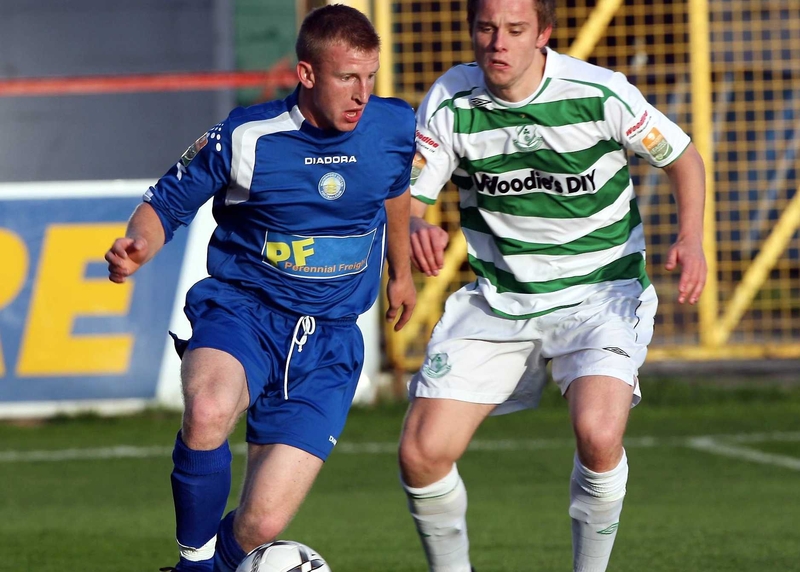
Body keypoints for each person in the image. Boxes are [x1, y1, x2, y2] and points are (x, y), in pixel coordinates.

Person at [397, 0, 707, 571]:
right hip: (500, 298)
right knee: (421, 454)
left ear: (543, 34)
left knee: (598, 431)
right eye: (486, 29)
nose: (498, 43)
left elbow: (683, 158)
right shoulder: (451, 101)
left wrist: (691, 238)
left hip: (601, 293)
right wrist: (415, 228)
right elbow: (411, 201)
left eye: (515, 30)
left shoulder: (601, 94)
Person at [105, 5, 416, 571]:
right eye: (347, 77)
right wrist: (138, 244)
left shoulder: (393, 126)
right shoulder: (246, 136)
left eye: (369, 76)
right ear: (307, 74)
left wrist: (401, 273)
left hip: (328, 344)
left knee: (261, 526)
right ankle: (194, 564)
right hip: (244, 312)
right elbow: (166, 201)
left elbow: (396, 191)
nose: (361, 93)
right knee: (206, 411)